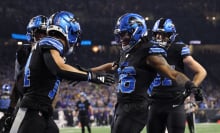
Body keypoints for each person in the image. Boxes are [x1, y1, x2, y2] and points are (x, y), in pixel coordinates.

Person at [77, 13, 200, 133]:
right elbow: (112, 66)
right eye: (119, 35)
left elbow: (173, 73)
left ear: (136, 32)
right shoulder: (127, 52)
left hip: (136, 107)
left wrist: (191, 85)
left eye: (124, 34)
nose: (121, 39)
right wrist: (88, 71)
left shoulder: (149, 52)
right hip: (122, 105)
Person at [9, 11, 114, 133]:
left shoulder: (44, 50)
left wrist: (98, 70)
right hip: (31, 111)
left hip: (42, 113)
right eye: (74, 33)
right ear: (66, 29)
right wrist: (92, 77)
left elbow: (69, 71)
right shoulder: (49, 42)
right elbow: (59, 68)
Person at [147, 18, 207, 133]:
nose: (159, 38)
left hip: (175, 102)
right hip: (155, 102)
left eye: (163, 35)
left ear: (171, 35)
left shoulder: (178, 48)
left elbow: (201, 71)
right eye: (157, 34)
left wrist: (191, 88)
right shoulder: (149, 50)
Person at [0, 15, 48, 133]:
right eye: (39, 33)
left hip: (42, 107)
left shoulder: (52, 54)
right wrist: (10, 110)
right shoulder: (23, 52)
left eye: (45, 33)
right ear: (31, 33)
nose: (42, 37)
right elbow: (18, 84)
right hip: (24, 105)